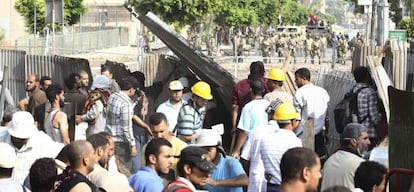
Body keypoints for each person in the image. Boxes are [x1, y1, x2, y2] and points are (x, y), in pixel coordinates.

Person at [0, 111, 63, 184]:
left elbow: (62, 152)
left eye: (22, 138)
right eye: (16, 137)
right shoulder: (1, 137)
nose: (19, 140)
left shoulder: (42, 141)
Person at [259, 102, 302, 192]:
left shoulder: (265, 139)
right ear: (293, 122)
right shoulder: (296, 142)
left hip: (269, 187)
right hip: (288, 187)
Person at [242, 99, 281, 192]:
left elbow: (245, 158)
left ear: (270, 114)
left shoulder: (258, 130)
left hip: (256, 180)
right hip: (277, 184)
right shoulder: (286, 134)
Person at [293, 68, 330, 161]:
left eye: (297, 79)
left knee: (306, 162)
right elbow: (326, 115)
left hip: (306, 131)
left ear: (304, 78)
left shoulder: (300, 93)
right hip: (320, 131)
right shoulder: (322, 92)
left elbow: (297, 117)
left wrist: (292, 132)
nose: (295, 82)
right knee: (320, 160)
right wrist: (327, 132)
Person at [320, 123, 370, 190]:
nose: (369, 142)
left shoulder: (329, 161)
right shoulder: (360, 164)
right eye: (365, 138)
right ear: (353, 141)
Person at [105, 77, 138, 176]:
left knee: (111, 168)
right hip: (121, 143)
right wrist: (132, 145)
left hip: (109, 138)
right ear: (131, 90)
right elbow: (126, 127)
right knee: (124, 171)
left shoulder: (112, 96)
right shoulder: (126, 103)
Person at [142, 113, 187, 179]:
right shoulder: (147, 148)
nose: (159, 136)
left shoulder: (182, 147)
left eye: (161, 131)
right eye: (154, 132)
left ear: (168, 126)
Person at [231, 80, 269, 159]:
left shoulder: (248, 107)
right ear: (263, 91)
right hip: (266, 145)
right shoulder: (268, 104)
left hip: (251, 147)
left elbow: (244, 131)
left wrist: (236, 150)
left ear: (251, 90)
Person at [231, 61, 268, 142]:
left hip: (243, 122)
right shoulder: (266, 83)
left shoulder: (239, 85)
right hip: (264, 123)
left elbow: (235, 107)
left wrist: (234, 126)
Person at [351, 66, 383, 148]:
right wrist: (382, 114)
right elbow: (374, 118)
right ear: (367, 76)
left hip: (355, 132)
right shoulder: (370, 92)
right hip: (368, 134)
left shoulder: (353, 90)